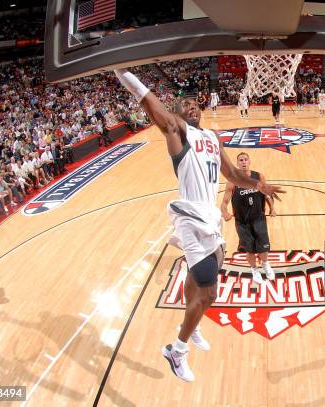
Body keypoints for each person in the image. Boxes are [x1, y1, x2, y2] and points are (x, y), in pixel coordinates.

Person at [113, 67, 284, 383]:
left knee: (201, 273)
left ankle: (190, 328)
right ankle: (176, 351)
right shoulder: (178, 131)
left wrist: (260, 186)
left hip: (210, 219)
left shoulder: (212, 137)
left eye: (194, 105)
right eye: (183, 106)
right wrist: (122, 71)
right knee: (207, 294)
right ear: (177, 114)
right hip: (191, 216)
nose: (189, 108)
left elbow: (231, 175)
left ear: (201, 109)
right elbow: (149, 102)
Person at [220, 152, 276, 284]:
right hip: (242, 222)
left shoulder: (259, 177)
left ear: (249, 162)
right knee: (249, 250)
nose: (243, 162)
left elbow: (267, 195)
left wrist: (272, 208)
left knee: (263, 248)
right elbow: (224, 202)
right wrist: (225, 213)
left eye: (245, 160)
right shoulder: (232, 181)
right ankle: (254, 269)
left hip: (259, 219)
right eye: (241, 160)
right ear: (238, 163)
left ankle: (265, 265)